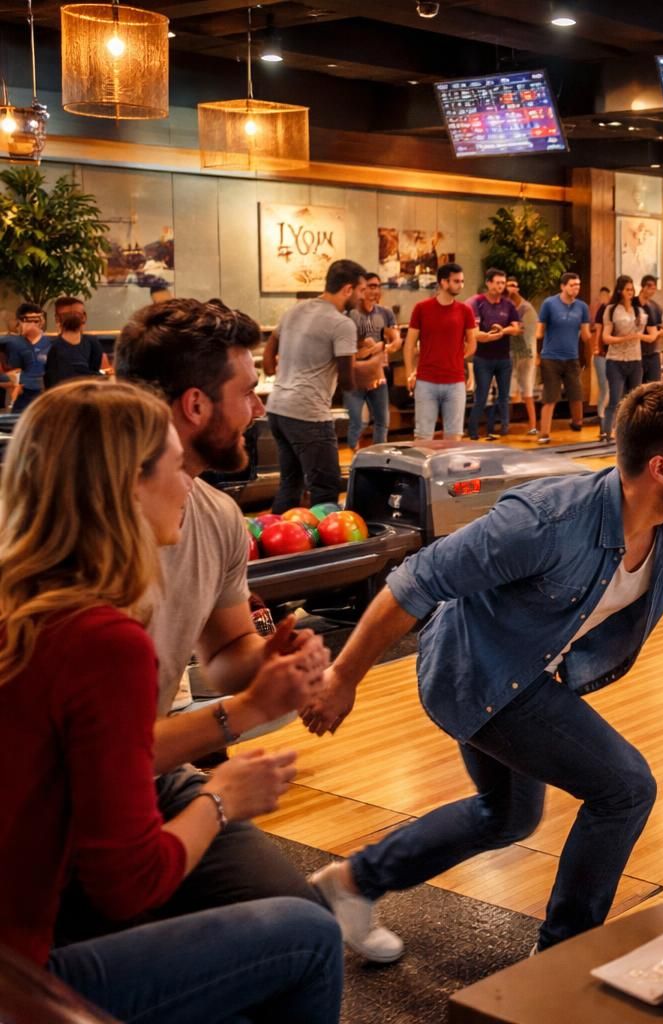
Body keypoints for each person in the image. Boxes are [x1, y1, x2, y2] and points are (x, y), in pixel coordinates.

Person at [296, 382, 663, 959]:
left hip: (525, 668)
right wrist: (344, 678)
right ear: (660, 468)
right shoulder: (545, 522)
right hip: (474, 671)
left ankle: (350, 885)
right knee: (625, 789)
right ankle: (561, 956)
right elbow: (415, 581)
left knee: (505, 814)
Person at [0, 380, 343, 1023]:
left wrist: (250, 697)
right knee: (311, 936)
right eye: (172, 464)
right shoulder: (102, 640)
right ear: (125, 486)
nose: (187, 481)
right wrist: (224, 798)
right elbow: (127, 882)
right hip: (21, 976)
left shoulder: (23, 602)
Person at [96, 298, 332, 934]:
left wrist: (269, 659)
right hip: (87, 790)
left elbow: (224, 656)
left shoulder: (216, 516)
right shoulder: (86, 543)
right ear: (196, 406)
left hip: (152, 771)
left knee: (301, 918)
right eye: (249, 391)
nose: (259, 410)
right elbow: (104, 758)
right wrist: (247, 716)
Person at [262, 259, 368, 513]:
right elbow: (347, 382)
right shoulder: (342, 323)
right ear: (347, 289)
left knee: (291, 484)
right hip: (308, 414)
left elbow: (268, 354)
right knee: (326, 488)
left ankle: (276, 546)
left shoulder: (295, 310)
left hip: (278, 409)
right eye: (361, 290)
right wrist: (371, 368)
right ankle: (327, 551)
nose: (362, 297)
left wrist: (276, 372)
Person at [404, 263, 478, 442]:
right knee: (423, 436)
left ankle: (449, 470)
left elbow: (472, 342)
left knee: (454, 436)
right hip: (426, 381)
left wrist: (455, 359)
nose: (460, 285)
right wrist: (409, 373)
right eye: (456, 281)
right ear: (444, 282)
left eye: (462, 281)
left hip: (454, 381)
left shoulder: (464, 310)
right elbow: (409, 344)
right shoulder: (422, 308)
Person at [346, 273, 401, 450]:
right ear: (361, 290)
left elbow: (396, 340)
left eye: (377, 286)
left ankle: (378, 458)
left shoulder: (385, 313)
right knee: (357, 422)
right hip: (355, 374)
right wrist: (362, 346)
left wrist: (385, 345)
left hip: (378, 373)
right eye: (370, 286)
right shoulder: (351, 313)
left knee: (382, 420)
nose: (374, 290)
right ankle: (353, 457)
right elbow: (343, 342)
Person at [535, 271, 591, 445]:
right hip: (551, 357)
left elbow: (585, 334)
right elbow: (539, 332)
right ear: (563, 286)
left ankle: (577, 423)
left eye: (578, 285)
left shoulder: (582, 307)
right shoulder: (549, 304)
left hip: (572, 357)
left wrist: (592, 351)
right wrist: (537, 355)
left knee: (576, 393)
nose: (576, 288)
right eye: (572, 285)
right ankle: (544, 433)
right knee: (550, 396)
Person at [467, 268, 521, 442]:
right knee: (481, 395)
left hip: (503, 357)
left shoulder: (508, 304)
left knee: (503, 396)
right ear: (488, 283)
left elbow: (516, 328)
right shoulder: (478, 302)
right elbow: (474, 331)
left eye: (502, 283)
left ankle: (501, 429)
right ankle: (473, 430)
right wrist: (488, 336)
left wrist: (501, 330)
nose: (500, 286)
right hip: (483, 357)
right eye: (497, 282)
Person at [597, 276, 648, 444]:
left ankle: (630, 433)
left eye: (632, 289)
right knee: (615, 398)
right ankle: (606, 432)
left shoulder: (638, 311)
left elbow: (646, 333)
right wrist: (627, 337)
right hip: (616, 359)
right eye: (627, 289)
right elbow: (606, 338)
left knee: (634, 400)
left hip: (635, 359)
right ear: (620, 291)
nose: (630, 292)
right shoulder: (611, 310)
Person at [43, 298, 105, 388]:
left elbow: (95, 369)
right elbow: (51, 379)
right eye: (67, 315)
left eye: (77, 314)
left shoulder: (92, 343)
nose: (72, 316)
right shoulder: (53, 347)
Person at [505, 276, 539, 436]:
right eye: (508, 285)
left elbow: (529, 331)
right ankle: (506, 424)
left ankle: (533, 425)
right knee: (508, 390)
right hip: (510, 352)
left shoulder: (526, 308)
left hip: (525, 353)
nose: (511, 288)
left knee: (527, 390)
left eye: (513, 285)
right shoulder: (506, 305)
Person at [5, 304, 49, 413]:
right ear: (19, 322)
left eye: (36, 320)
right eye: (28, 321)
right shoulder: (13, 344)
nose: (33, 325)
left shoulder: (51, 344)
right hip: (22, 399)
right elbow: (12, 372)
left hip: (45, 398)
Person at [590, 285, 613, 429]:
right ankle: (601, 415)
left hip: (614, 353)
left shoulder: (613, 309)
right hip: (602, 353)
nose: (603, 298)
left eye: (606, 295)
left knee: (613, 387)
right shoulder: (600, 310)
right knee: (604, 386)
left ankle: (610, 416)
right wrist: (596, 347)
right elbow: (598, 331)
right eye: (601, 295)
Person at [638, 275, 663, 383]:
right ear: (643, 287)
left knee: (654, 387)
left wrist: (658, 333)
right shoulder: (633, 304)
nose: (652, 291)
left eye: (654, 288)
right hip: (637, 353)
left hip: (653, 352)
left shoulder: (655, 307)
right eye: (650, 287)